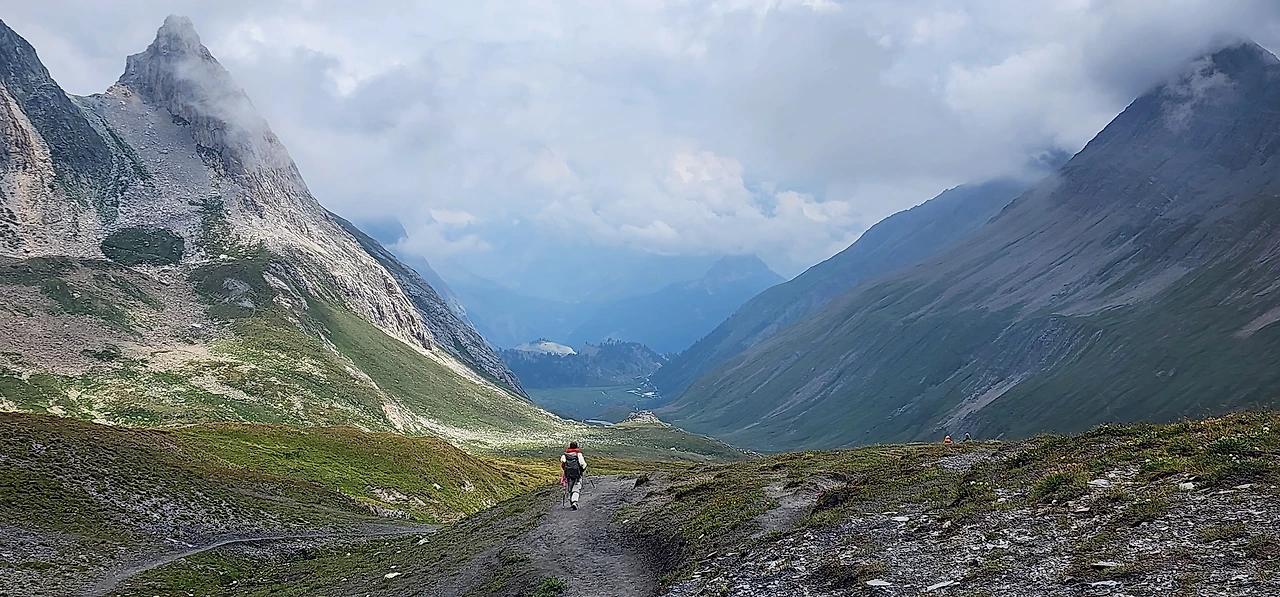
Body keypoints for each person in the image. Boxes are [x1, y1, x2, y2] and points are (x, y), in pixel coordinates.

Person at [561, 442, 587, 510]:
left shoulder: (565, 455)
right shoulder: (578, 454)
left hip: (568, 474)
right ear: (576, 447)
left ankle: (571, 501)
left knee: (570, 488)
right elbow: (583, 464)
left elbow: (563, 464)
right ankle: (574, 502)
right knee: (576, 488)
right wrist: (583, 470)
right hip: (577, 474)